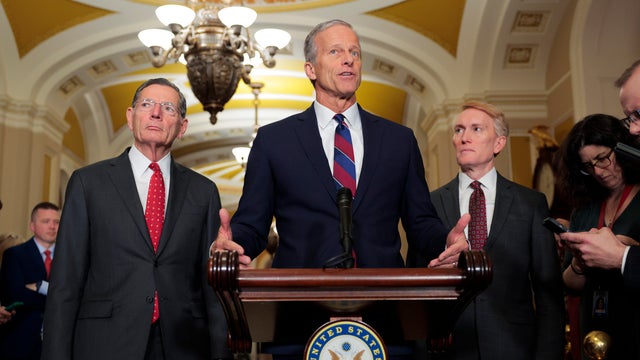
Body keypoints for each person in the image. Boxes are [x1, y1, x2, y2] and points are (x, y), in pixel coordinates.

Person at [211, 19, 469, 358]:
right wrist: (233, 243)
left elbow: (420, 222)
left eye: (355, 53)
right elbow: (253, 225)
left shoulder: (399, 141)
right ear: (310, 69)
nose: (348, 59)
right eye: (335, 51)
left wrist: (445, 242)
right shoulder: (275, 141)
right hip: (299, 314)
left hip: (387, 315)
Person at [41, 78, 231, 360]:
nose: (156, 113)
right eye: (146, 104)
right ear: (131, 118)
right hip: (104, 343)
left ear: (182, 127)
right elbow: (66, 281)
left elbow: (210, 290)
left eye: (168, 108)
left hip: (183, 344)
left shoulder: (203, 192)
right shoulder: (88, 183)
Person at [414, 101, 565, 359]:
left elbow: (548, 291)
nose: (464, 137)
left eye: (476, 129)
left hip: (515, 348)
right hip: (448, 348)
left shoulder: (530, 204)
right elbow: (416, 289)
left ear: (499, 143)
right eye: (459, 130)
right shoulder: (431, 204)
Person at [555, 113, 640, 359]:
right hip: (595, 326)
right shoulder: (584, 209)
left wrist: (627, 250)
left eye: (603, 159)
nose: (599, 172)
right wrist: (580, 262)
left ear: (621, 147)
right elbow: (570, 283)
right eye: (588, 166)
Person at [0, 201, 60, 360]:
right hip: (21, 342)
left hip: (58, 342)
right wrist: (59, 295)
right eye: (46, 221)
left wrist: (40, 287)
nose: (52, 226)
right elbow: (16, 295)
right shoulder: (15, 254)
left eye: (56, 222)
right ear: (32, 226)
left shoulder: (69, 258)